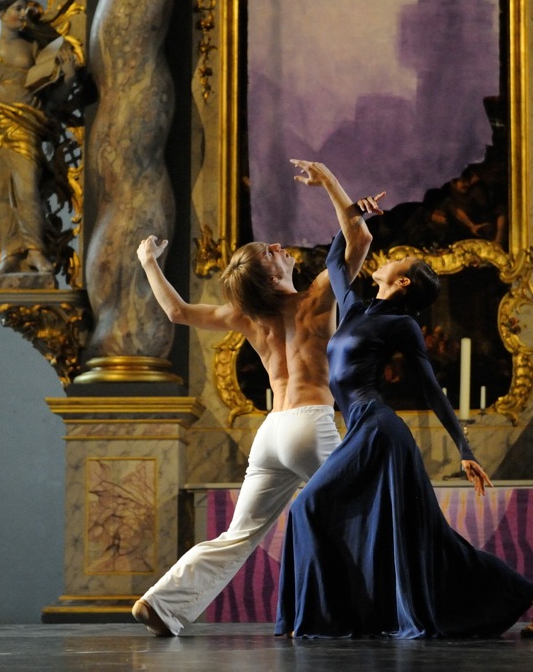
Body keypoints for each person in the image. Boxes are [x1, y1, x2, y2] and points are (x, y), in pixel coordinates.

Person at [131, 160, 384, 636]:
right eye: (269, 253)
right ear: (269, 278)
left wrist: (148, 262)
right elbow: (360, 240)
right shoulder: (316, 297)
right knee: (368, 513)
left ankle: (161, 603)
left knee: (239, 534)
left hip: (271, 434)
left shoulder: (246, 318)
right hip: (310, 424)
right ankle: (377, 611)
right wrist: (329, 180)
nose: (278, 248)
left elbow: (177, 312)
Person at [274, 235, 533, 638]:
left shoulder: (402, 325)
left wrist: (464, 448)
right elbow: (336, 261)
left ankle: (314, 619)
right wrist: (350, 208)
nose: (391, 256)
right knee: (428, 536)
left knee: (308, 505)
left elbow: (430, 388)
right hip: (362, 429)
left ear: (404, 281)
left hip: (378, 431)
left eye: (403, 259)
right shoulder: (355, 310)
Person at [0, 0, 76, 274]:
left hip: (26, 123)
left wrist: (68, 78)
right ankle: (10, 252)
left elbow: (53, 100)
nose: (24, 13)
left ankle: (36, 251)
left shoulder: (35, 48)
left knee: (27, 189)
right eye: (18, 8)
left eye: (25, 8)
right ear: (1, 13)